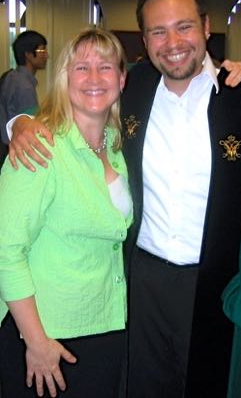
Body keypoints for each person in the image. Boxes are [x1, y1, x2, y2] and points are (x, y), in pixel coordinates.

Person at [4, 0, 241, 398]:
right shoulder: (135, 89)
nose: (174, 43)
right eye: (158, 32)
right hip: (138, 281)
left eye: (184, 27)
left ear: (206, 27)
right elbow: (78, 95)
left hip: (212, 281)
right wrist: (19, 123)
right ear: (144, 42)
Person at [0, 28, 133, 398]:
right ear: (63, 78)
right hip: (46, 335)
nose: (94, 78)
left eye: (105, 67)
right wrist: (37, 341)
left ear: (121, 78)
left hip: (105, 322)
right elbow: (5, 252)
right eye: (81, 68)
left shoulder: (117, 147)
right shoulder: (39, 148)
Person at [0, 30, 48, 146]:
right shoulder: (24, 86)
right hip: (15, 149)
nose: (46, 55)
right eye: (42, 50)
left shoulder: (11, 76)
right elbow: (31, 130)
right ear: (29, 55)